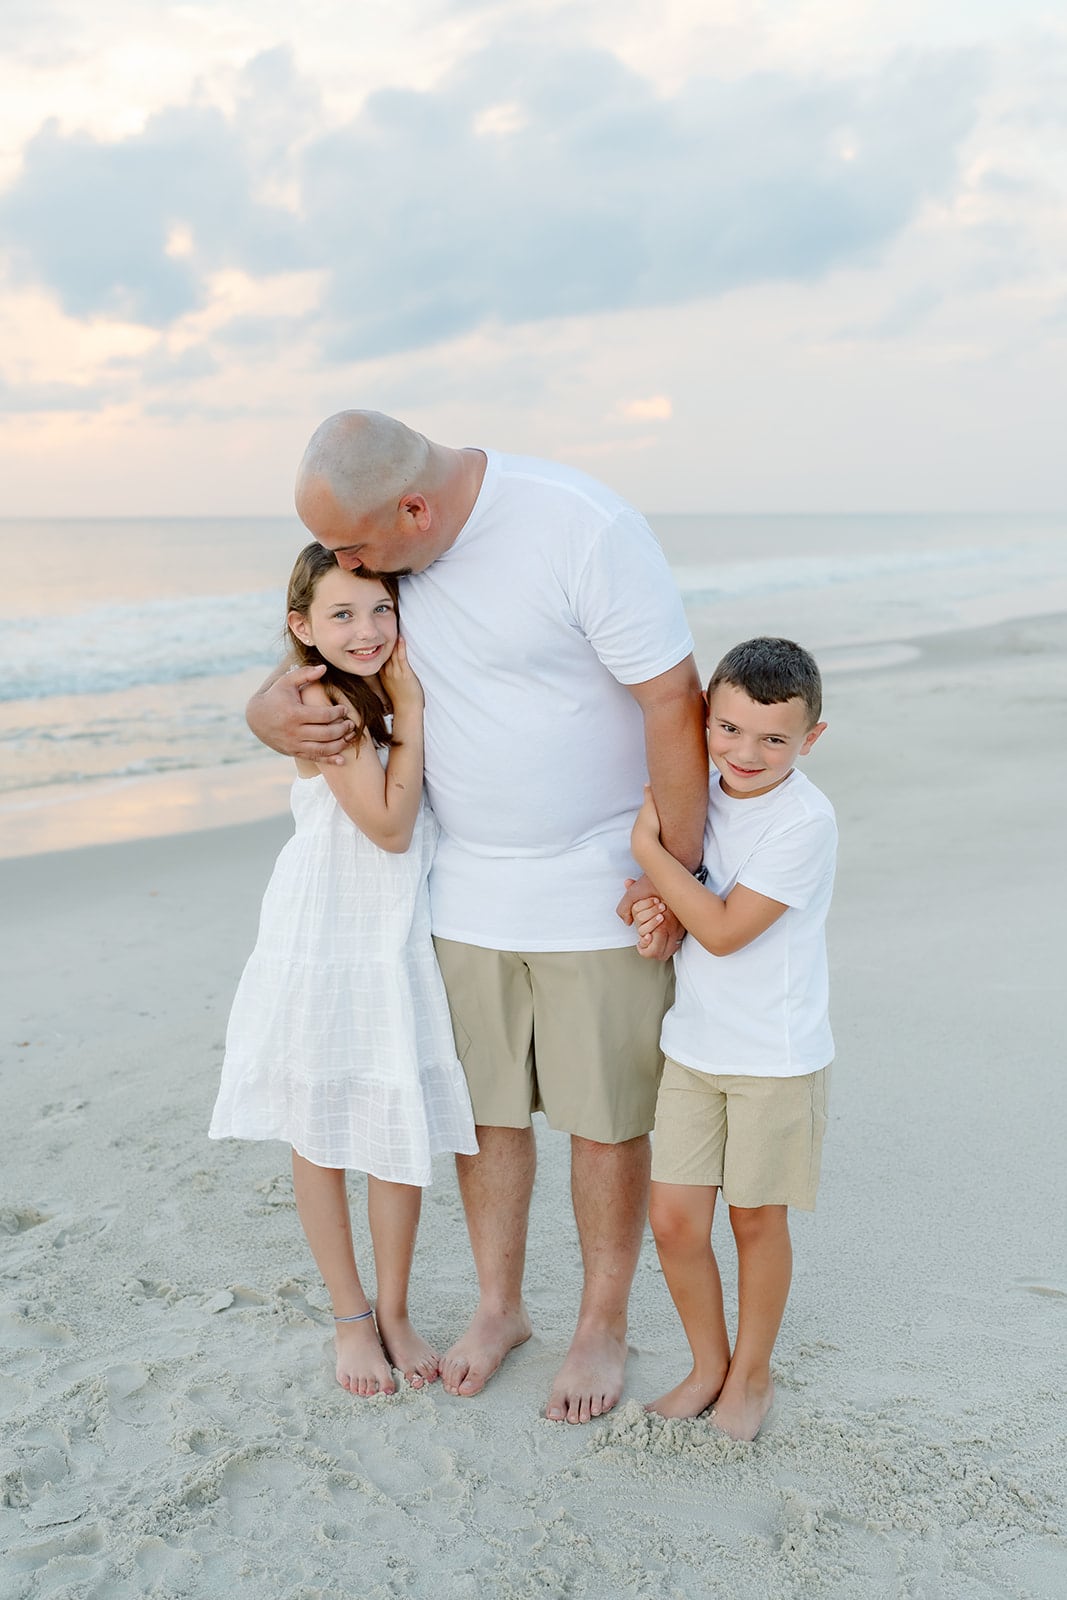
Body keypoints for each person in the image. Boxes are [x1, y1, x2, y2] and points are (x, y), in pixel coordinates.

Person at [247, 410, 709, 1424]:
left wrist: (675, 875)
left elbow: (671, 700)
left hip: (597, 887)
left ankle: (599, 1322)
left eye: (357, 546)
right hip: (457, 890)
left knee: (603, 1119)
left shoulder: (579, 527)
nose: (347, 563)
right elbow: (325, 628)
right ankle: (500, 1308)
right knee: (484, 1116)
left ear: (412, 511)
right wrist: (260, 707)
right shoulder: (394, 553)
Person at [211, 544, 477, 1398]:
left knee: (392, 1114)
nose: (364, 630)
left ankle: (395, 1308)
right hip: (328, 936)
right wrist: (409, 706)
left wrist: (403, 696)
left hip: (392, 934)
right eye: (340, 614)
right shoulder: (323, 699)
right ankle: (352, 1318)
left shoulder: (378, 679)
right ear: (303, 627)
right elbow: (389, 826)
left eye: (378, 610)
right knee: (322, 1128)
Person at [629, 637, 836, 1441]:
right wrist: (646, 909)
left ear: (809, 740)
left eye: (773, 739)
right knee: (676, 1222)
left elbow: (718, 929)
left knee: (754, 1219)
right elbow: (663, 901)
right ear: (704, 722)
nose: (745, 753)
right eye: (728, 730)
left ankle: (751, 1376)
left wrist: (646, 850)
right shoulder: (695, 794)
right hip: (695, 1048)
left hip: (774, 1059)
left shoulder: (803, 823)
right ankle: (707, 1364)